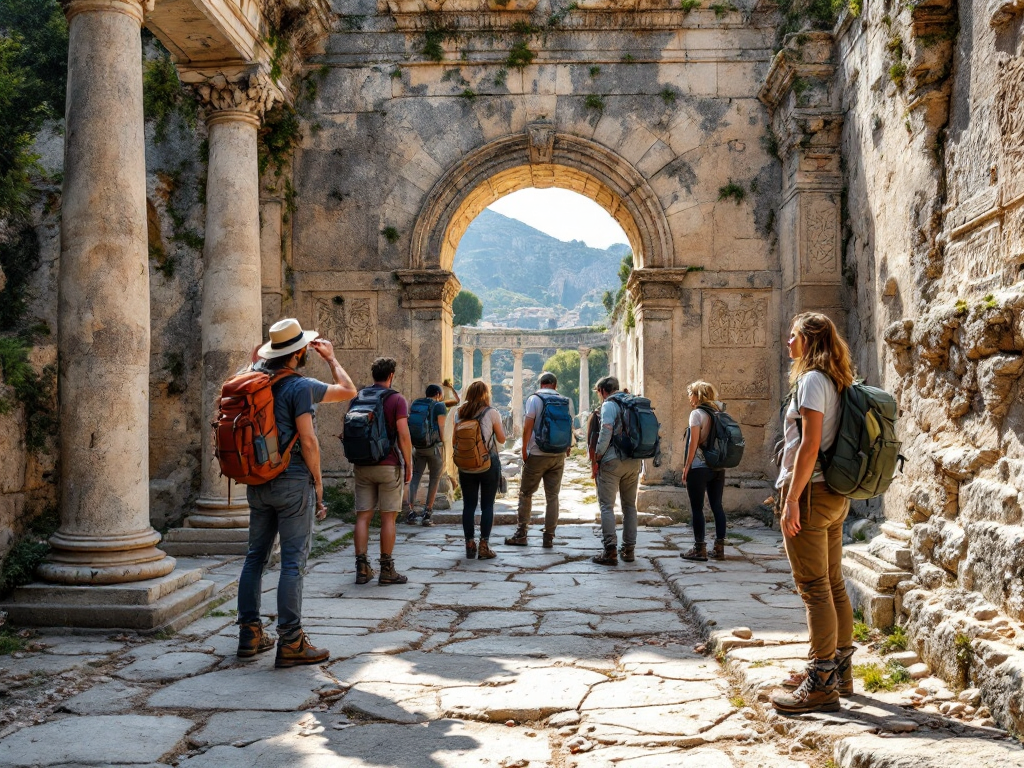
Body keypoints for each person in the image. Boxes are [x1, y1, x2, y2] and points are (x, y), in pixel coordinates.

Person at [236, 318, 357, 668]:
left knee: (254, 557)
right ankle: (291, 641)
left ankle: (250, 633)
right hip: (292, 482)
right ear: (300, 352)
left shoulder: (254, 379)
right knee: (292, 562)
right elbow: (342, 396)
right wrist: (331, 359)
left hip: (258, 480)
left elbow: (254, 358)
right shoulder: (301, 386)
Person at [770, 312, 856, 715]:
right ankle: (840, 671)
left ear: (809, 340)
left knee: (814, 588)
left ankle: (821, 684)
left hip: (810, 493)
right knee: (834, 583)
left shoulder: (810, 381)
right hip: (834, 493)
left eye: (793, 337)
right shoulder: (837, 380)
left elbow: (808, 446)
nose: (787, 343)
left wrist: (790, 499)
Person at [352, 358, 413, 586]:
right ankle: (387, 569)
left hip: (362, 464)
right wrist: (408, 464)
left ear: (373, 374)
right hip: (388, 464)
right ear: (391, 375)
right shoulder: (397, 399)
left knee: (363, 516)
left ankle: (361, 568)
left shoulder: (359, 397)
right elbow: (404, 435)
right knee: (388, 518)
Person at [505, 372, 571, 548]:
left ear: (541, 384)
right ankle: (549, 536)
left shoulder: (534, 399)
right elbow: (568, 426)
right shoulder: (565, 400)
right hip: (558, 454)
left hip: (537, 452)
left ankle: (522, 533)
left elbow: (528, 426)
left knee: (526, 493)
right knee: (553, 496)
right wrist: (567, 446)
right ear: (555, 385)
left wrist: (525, 449)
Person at [592, 376, 642, 566]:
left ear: (603, 391)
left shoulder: (609, 405)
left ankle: (610, 551)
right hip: (634, 460)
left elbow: (606, 431)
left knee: (607, 506)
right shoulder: (632, 403)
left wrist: (598, 455)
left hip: (613, 461)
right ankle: (629, 550)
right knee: (630, 506)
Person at [454, 381, 506, 560]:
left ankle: (469, 544)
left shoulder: (459, 412)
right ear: (486, 395)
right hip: (487, 463)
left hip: (466, 465)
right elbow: (502, 439)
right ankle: (484, 545)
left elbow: (455, 441)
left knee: (468, 505)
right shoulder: (491, 413)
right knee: (487, 506)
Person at [680, 381, 728, 562]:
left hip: (699, 467)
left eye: (690, 394)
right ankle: (719, 547)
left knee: (697, 508)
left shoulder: (696, 414)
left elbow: (693, 443)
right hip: (717, 466)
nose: (689, 398)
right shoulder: (719, 412)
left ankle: (699, 548)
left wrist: (687, 466)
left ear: (697, 396)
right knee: (717, 506)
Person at [407, 384, 448, 526]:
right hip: (433, 447)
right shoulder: (439, 406)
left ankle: (410, 512)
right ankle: (427, 514)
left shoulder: (417, 403)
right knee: (434, 478)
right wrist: (444, 443)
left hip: (417, 447)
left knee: (415, 477)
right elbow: (442, 427)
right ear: (437, 393)